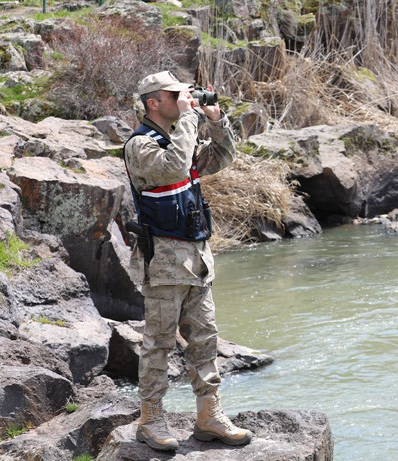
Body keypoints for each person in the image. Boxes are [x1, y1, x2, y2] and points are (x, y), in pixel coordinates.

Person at [123, 70, 251, 451]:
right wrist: (190, 118)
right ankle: (150, 419)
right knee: (159, 345)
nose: (182, 99)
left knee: (205, 340)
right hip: (163, 263)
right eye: (174, 95)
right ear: (153, 103)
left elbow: (224, 156)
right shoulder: (140, 146)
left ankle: (209, 415)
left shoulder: (180, 138)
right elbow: (174, 167)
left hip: (197, 260)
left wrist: (214, 118)